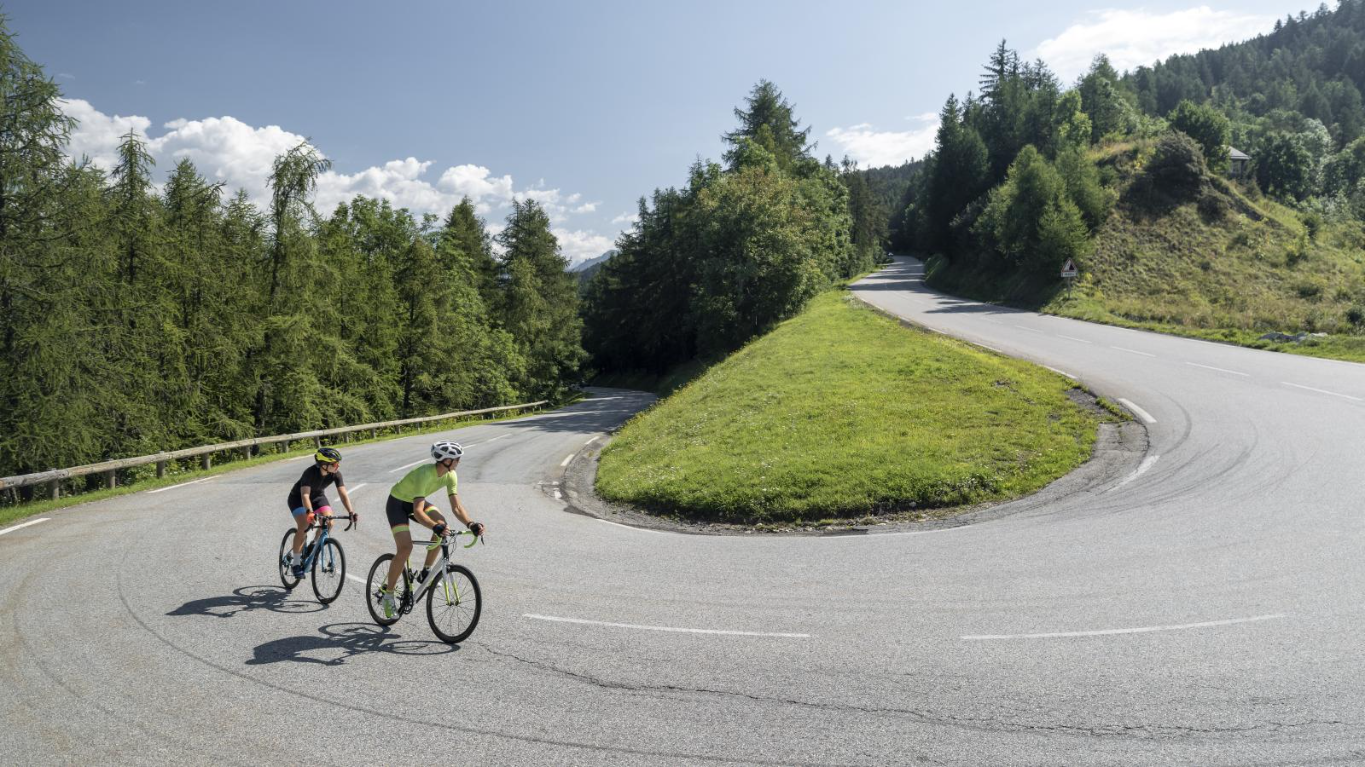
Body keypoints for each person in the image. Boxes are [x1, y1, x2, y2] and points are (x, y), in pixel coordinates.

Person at [378, 441, 485, 618]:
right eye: (456, 459)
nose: (459, 461)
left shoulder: (451, 475)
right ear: (446, 460)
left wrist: (471, 524)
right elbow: (419, 512)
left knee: (444, 524)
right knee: (405, 548)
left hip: (413, 502)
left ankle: (426, 571)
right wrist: (435, 527)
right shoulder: (424, 474)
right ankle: (388, 595)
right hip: (397, 503)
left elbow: (457, 507)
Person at [285, 446, 358, 578]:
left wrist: (351, 512)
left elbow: (342, 493)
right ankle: (295, 563)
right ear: (324, 465)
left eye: (338, 463)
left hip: (318, 497)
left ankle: (314, 544)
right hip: (298, 499)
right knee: (305, 526)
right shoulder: (309, 473)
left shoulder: (336, 474)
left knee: (330, 522)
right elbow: (305, 496)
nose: (338, 466)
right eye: (335, 464)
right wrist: (310, 513)